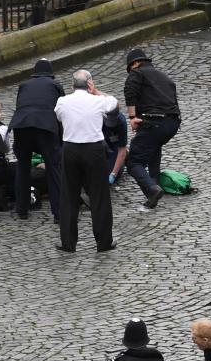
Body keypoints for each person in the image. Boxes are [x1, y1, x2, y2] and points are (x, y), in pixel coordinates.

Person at [53, 70, 118, 253]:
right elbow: (114, 103)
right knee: (99, 196)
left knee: (68, 196)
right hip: (94, 150)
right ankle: (103, 242)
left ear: (72, 85)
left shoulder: (62, 101)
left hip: (71, 149)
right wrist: (96, 92)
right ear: (89, 84)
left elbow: (58, 116)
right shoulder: (98, 101)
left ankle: (68, 242)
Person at [123, 48, 180, 209]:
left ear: (135, 63)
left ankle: (151, 189)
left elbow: (130, 90)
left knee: (134, 161)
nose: (130, 73)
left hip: (154, 122)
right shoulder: (164, 77)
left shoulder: (137, 73)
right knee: (154, 147)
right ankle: (155, 187)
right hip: (173, 123)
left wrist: (133, 117)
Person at [10, 59, 64, 221]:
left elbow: (20, 107)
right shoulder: (55, 86)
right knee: (54, 169)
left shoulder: (24, 86)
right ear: (50, 73)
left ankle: (22, 209)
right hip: (45, 128)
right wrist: (60, 142)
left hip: (22, 126)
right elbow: (62, 113)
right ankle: (59, 213)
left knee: (23, 168)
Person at [103, 106, 128, 187]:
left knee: (111, 175)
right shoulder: (95, 118)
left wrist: (113, 174)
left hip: (115, 147)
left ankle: (126, 156)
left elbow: (122, 148)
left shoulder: (121, 122)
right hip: (100, 144)